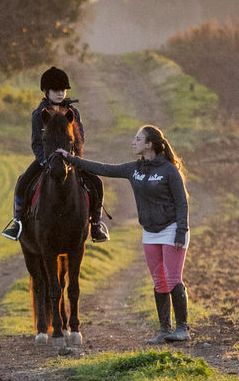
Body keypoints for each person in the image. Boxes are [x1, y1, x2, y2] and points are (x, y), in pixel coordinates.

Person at [57, 124, 191, 341]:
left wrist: (180, 232)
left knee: (173, 278)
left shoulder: (169, 170)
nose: (133, 142)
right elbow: (104, 168)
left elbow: (181, 203)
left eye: (138, 139)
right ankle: (165, 330)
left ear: (149, 144)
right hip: (150, 232)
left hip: (172, 229)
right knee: (159, 281)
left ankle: (182, 329)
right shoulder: (134, 169)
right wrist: (72, 160)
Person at [1, 66, 109, 244]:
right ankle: (18, 222)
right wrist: (45, 161)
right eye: (56, 90)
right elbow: (36, 142)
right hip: (47, 160)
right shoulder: (39, 114)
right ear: (46, 91)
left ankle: (96, 224)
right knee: (23, 182)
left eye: (63, 90)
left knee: (96, 182)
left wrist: (74, 159)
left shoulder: (73, 113)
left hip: (71, 160)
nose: (61, 93)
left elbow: (79, 138)